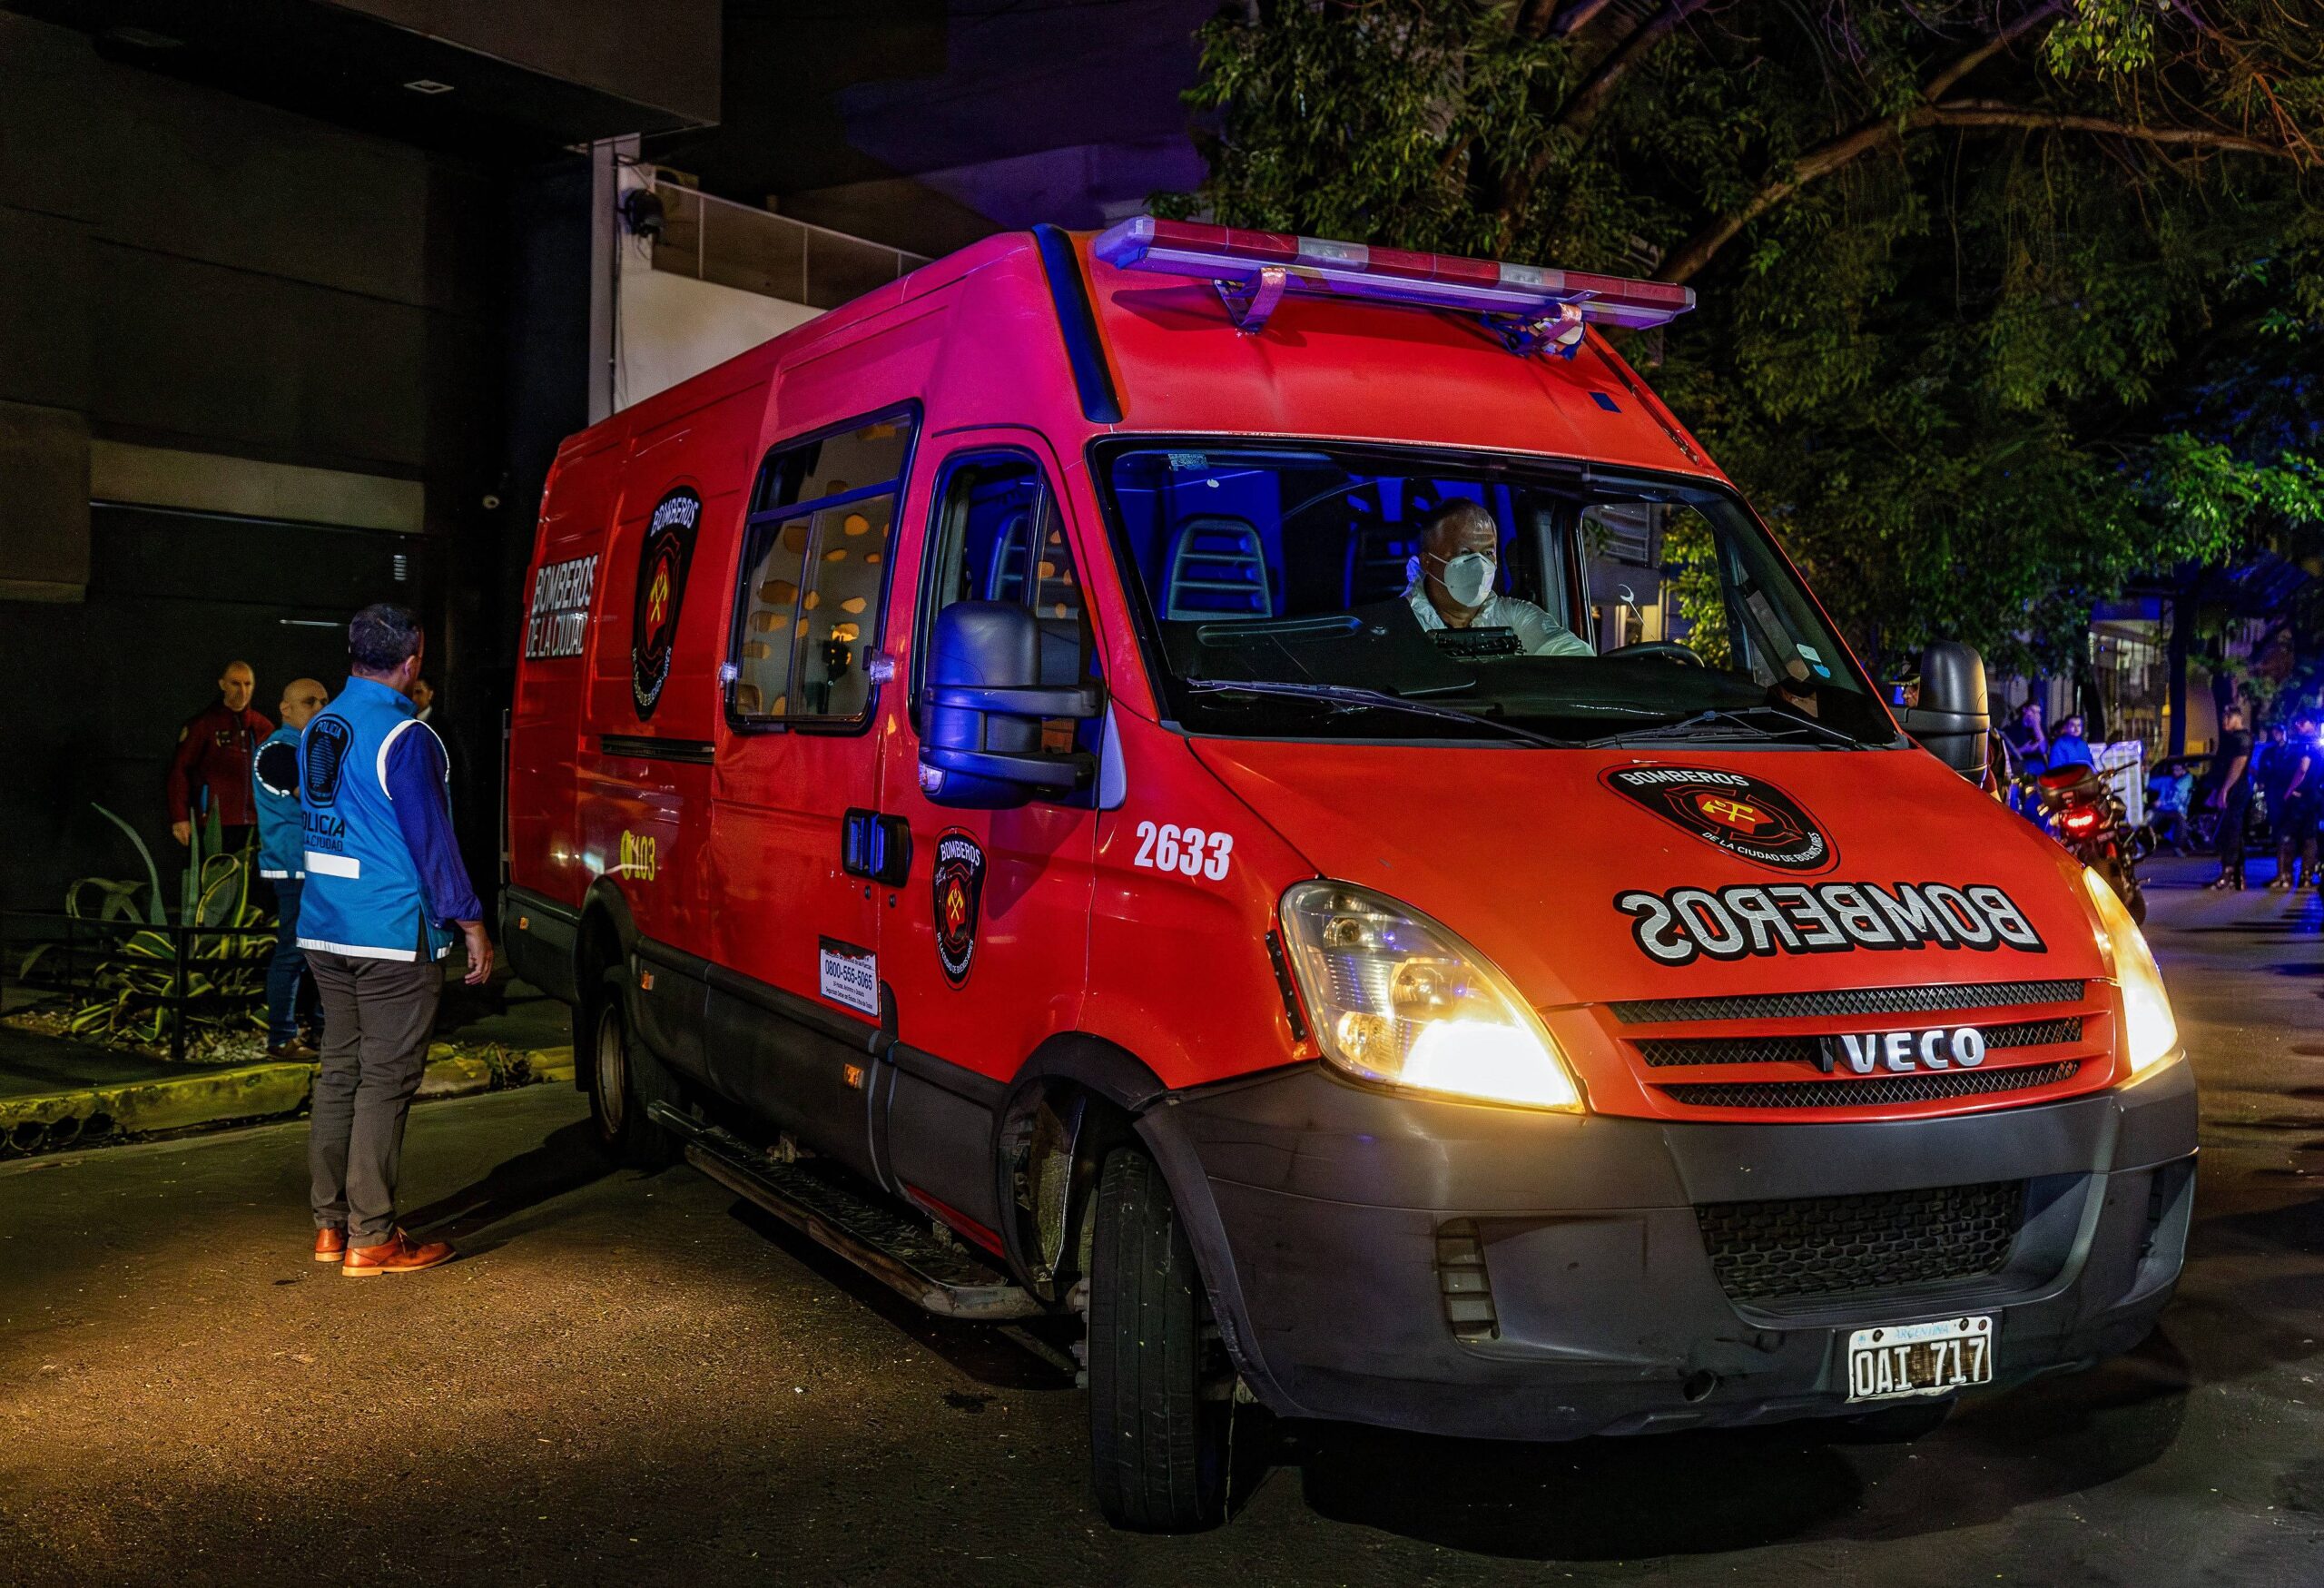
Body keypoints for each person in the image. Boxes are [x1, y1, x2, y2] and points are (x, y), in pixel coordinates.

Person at [298, 605, 491, 1277]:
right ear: (410, 663)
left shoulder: (320, 724)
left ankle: (330, 1227)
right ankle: (372, 1235)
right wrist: (469, 920)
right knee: (384, 1078)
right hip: (388, 931)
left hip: (323, 926)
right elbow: (431, 841)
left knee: (339, 1071)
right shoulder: (405, 737)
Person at [1404, 499, 1595, 657]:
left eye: (1488, 552)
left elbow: (1576, 659)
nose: (1479, 564)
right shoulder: (1400, 623)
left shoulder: (1515, 617)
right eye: (1465, 552)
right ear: (1427, 562)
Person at [253, 679, 330, 1059]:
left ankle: (319, 1032)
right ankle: (282, 1038)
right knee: (295, 953)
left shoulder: (300, 748)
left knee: (318, 954)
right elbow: (318, 798)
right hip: (294, 869)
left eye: (323, 701)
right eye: (308, 702)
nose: (318, 708)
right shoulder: (278, 750)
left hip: (313, 868)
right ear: (285, 709)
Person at [166, 660, 271, 852]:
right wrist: (180, 817)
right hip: (215, 824)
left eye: (248, 684)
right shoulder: (203, 725)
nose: (242, 690)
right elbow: (180, 771)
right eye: (235, 683)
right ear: (222, 684)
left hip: (258, 823)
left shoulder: (262, 726)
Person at [2270, 713, 2318, 891]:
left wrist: (2291, 790)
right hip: (2309, 797)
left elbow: (2303, 769)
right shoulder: (2307, 744)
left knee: (2292, 836)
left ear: (2311, 723)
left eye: (2302, 722)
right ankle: (2299, 877)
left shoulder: (2307, 744)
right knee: (2304, 837)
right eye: (2297, 722)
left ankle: (2288, 876)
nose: (2298, 725)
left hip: (2303, 797)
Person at [2210, 704, 2255, 891]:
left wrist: (2225, 790)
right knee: (2232, 832)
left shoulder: (2241, 738)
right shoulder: (2233, 738)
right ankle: (2238, 876)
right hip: (2232, 788)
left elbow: (2239, 763)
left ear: (2236, 717)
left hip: (2236, 790)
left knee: (2231, 832)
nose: (2224, 722)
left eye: (2227, 718)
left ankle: (2228, 873)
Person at [2148, 760, 2196, 853]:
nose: (2175, 772)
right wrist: (2145, 773)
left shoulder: (2187, 780)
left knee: (2181, 822)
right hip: (2161, 810)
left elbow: (2178, 793)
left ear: (2184, 770)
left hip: (2177, 810)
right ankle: (2146, 845)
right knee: (2149, 819)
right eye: (2173, 769)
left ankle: (2178, 847)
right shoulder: (2167, 780)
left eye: (2178, 769)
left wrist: (2161, 802)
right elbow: (2149, 784)